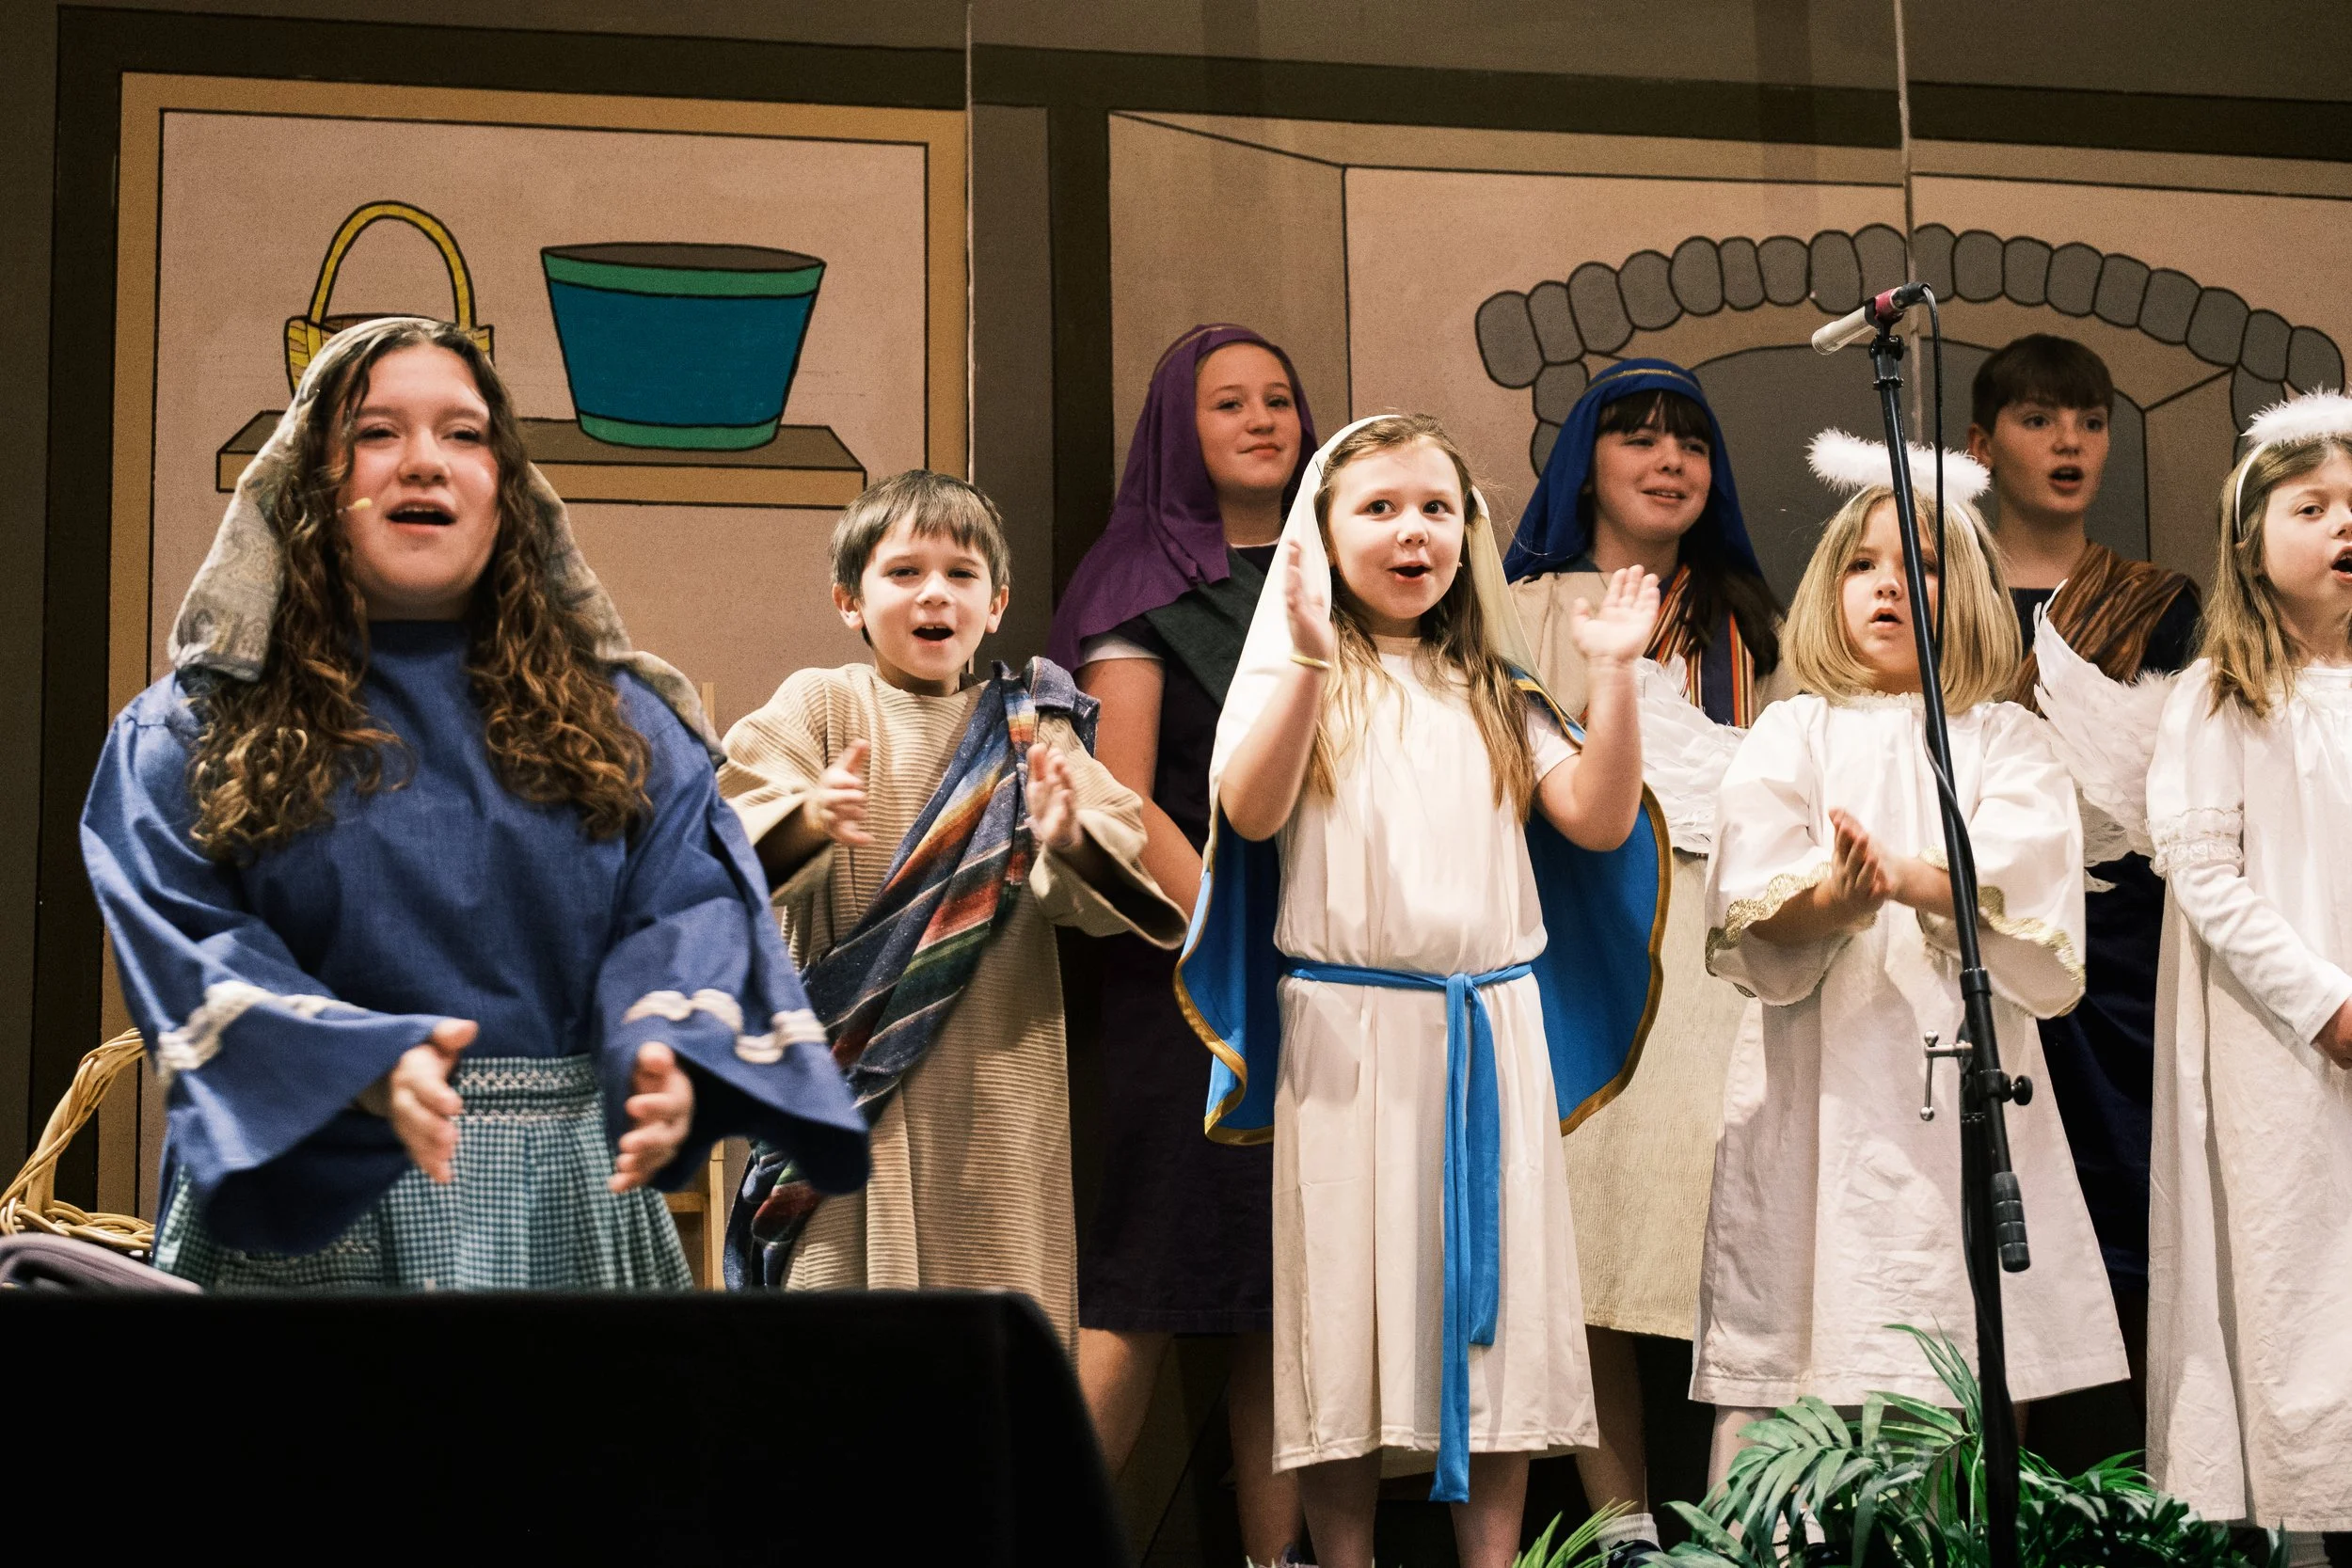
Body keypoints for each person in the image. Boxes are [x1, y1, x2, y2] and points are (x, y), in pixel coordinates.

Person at [80, 316, 866, 1289]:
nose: (425, 461)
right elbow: (184, 933)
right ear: (309, 484)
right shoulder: (195, 727)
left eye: (463, 433)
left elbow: (688, 902)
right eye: (376, 432)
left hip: (563, 1211)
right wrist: (354, 1064)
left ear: (507, 491)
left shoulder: (625, 723)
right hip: (315, 1208)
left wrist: (668, 1047)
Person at [1184, 412, 1668, 1568]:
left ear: (1469, 533)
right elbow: (1249, 809)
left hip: (1486, 1029)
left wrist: (1613, 674)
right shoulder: (1296, 674)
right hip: (1346, 1035)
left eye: (1437, 508)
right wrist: (1307, 660)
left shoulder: (1493, 686)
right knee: (1345, 1323)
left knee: (1490, 1324)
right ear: (1322, 534)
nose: (1414, 531)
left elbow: (1598, 819)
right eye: (1380, 507)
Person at [1695, 431, 2126, 1478]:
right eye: (1862, 564)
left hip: (1963, 1089)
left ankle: (1964, 1524)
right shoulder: (1794, 732)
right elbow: (1752, 904)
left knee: (1964, 1318)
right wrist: (1837, 898)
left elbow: (2031, 884)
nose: (1888, 584)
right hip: (1823, 1089)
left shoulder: (2002, 740)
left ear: (1966, 591)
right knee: (1802, 1316)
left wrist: (1909, 879)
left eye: (1920, 565)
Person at [718, 470, 1186, 1347]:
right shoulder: (822, 705)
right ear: (850, 600)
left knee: (987, 1362)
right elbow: (724, 847)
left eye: (962, 574)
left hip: (994, 1098)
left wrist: (1067, 836)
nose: (935, 592)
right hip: (842, 1094)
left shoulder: (1032, 730)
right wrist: (808, 820)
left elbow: (1118, 878)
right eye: (904, 572)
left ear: (997, 602)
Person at [1504, 358, 1790, 1564]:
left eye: (1692, 442)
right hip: (1583, 948)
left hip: (1728, 957)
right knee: (1586, 1231)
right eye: (1639, 436)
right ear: (1586, 464)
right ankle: (1617, 1515)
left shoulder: (1753, 621)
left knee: (1739, 1223)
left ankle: (1746, 1517)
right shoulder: (1524, 609)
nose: (1670, 460)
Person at [1049, 324, 1315, 1562]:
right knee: (1146, 1280)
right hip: (1187, 973)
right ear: (1175, 428)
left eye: (1279, 399)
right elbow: (1122, 793)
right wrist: (1232, 929)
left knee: (1281, 1300)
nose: (1261, 419)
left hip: (1326, 970)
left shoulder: (1336, 567)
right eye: (1228, 403)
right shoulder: (1138, 576)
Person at [2135, 394, 2352, 1543]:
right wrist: (2326, 1002)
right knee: (2297, 1276)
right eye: (2311, 507)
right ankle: (2306, 1525)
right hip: (2288, 1041)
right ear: (2249, 541)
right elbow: (2204, 873)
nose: (2344, 524)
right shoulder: (2218, 695)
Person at [1971, 338, 2200, 1424]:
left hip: (2118, 959)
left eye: (2090, 420)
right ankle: (1991, 1493)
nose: (2068, 441)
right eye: (2037, 418)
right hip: (1976, 942)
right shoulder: (1935, 596)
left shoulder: (2157, 604)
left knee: (2137, 1210)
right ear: (1981, 444)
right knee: (1989, 1218)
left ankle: (2156, 1479)